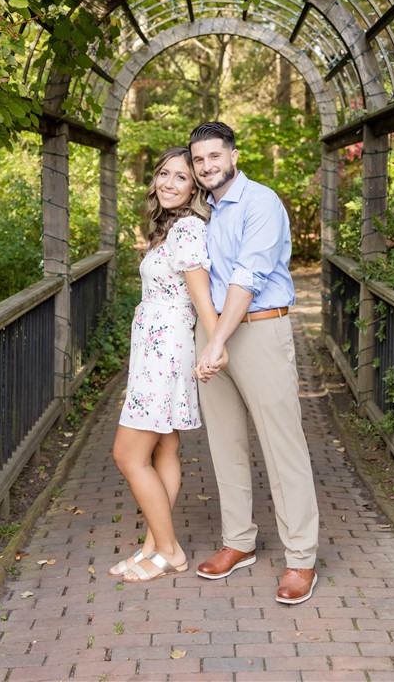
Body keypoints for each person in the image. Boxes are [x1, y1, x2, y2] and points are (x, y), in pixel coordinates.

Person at [189, 121, 319, 605]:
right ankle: (238, 541)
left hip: (257, 330)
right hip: (215, 334)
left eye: (214, 157)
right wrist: (209, 337)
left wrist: (217, 339)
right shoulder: (204, 210)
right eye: (199, 160)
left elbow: (249, 275)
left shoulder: (260, 202)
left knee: (282, 444)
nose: (207, 167)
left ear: (233, 155)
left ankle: (301, 558)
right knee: (225, 442)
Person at [109, 146, 223, 584]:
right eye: (163, 174)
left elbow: (200, 295)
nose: (169, 183)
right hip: (156, 348)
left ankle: (170, 550)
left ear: (195, 187)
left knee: (127, 454)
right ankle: (153, 546)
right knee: (165, 447)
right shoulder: (169, 229)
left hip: (166, 353)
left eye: (181, 177)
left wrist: (217, 343)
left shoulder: (188, 229)